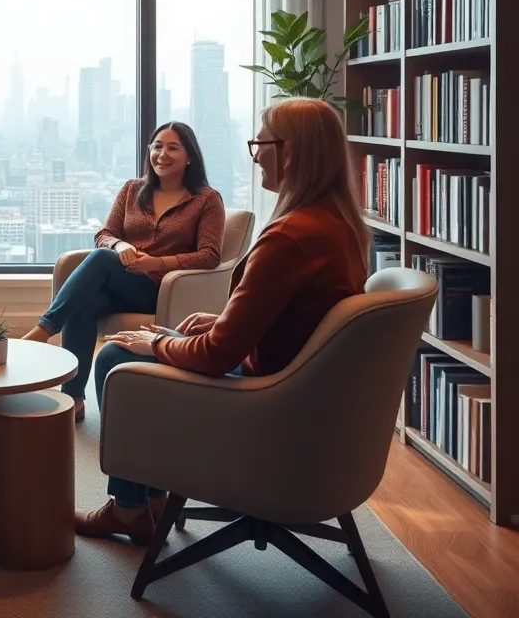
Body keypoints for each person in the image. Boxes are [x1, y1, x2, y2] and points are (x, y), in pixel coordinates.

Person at [77, 96, 369, 545]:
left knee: (116, 356)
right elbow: (295, 317)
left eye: (261, 144)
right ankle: (145, 501)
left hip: (263, 400)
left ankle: (130, 507)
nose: (255, 156)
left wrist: (157, 345)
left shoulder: (289, 236)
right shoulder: (336, 225)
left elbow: (216, 356)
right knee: (109, 290)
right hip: (297, 386)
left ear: (290, 153)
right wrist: (223, 319)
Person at [21, 121, 225, 421]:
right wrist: (120, 246)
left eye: (173, 147)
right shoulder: (132, 189)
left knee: (102, 259)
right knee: (85, 302)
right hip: (124, 282)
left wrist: (155, 263)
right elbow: (105, 234)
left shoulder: (206, 199)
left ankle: (42, 332)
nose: (162, 154)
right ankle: (75, 398)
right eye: (157, 146)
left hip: (162, 290)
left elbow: (210, 256)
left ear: (190, 156)